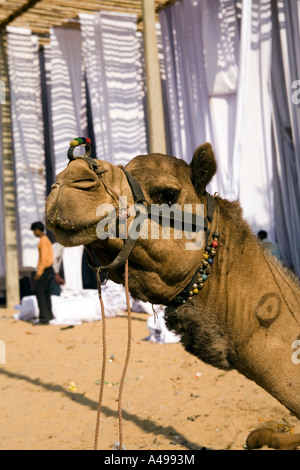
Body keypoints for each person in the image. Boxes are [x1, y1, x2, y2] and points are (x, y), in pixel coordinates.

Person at [30, 221, 55, 324]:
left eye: (34, 231)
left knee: (40, 293)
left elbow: (44, 259)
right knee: (46, 293)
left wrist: (39, 272)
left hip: (45, 270)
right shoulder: (46, 240)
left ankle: (44, 319)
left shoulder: (43, 241)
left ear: (37, 230)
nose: (33, 233)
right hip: (49, 269)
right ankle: (49, 315)